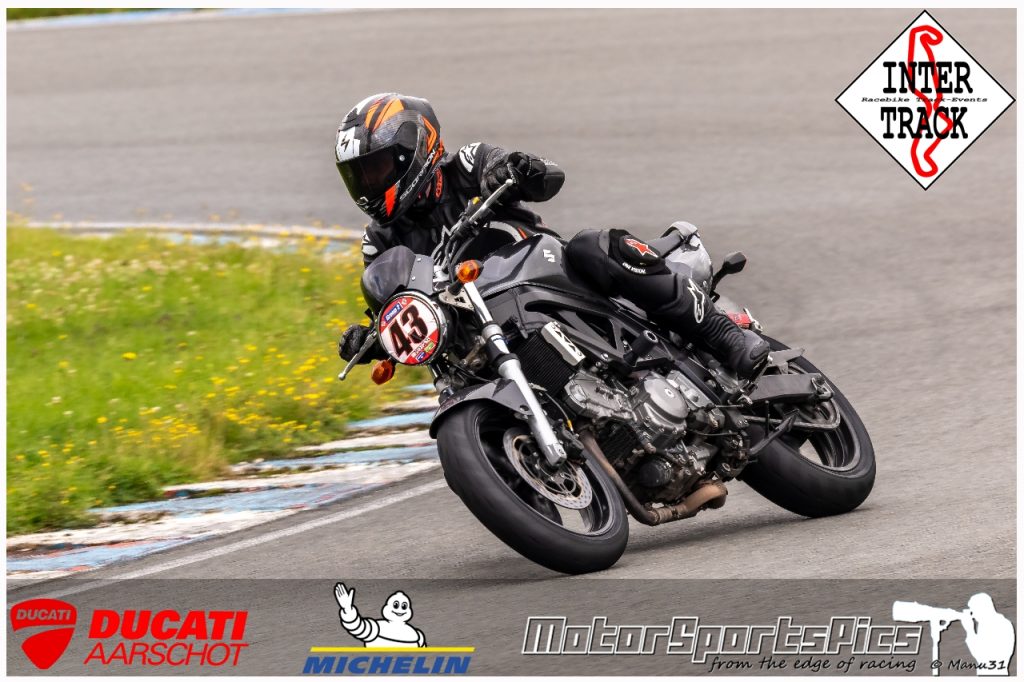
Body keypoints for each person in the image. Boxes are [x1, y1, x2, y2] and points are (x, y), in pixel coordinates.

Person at [335, 93, 768, 378]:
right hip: (482, 329)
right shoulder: (380, 240)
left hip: (549, 277)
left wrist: (517, 169)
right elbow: (394, 300)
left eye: (375, 169)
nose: (368, 185)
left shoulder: (465, 166)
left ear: (412, 149)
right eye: (359, 177)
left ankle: (723, 335)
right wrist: (373, 337)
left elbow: (545, 178)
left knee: (591, 245)